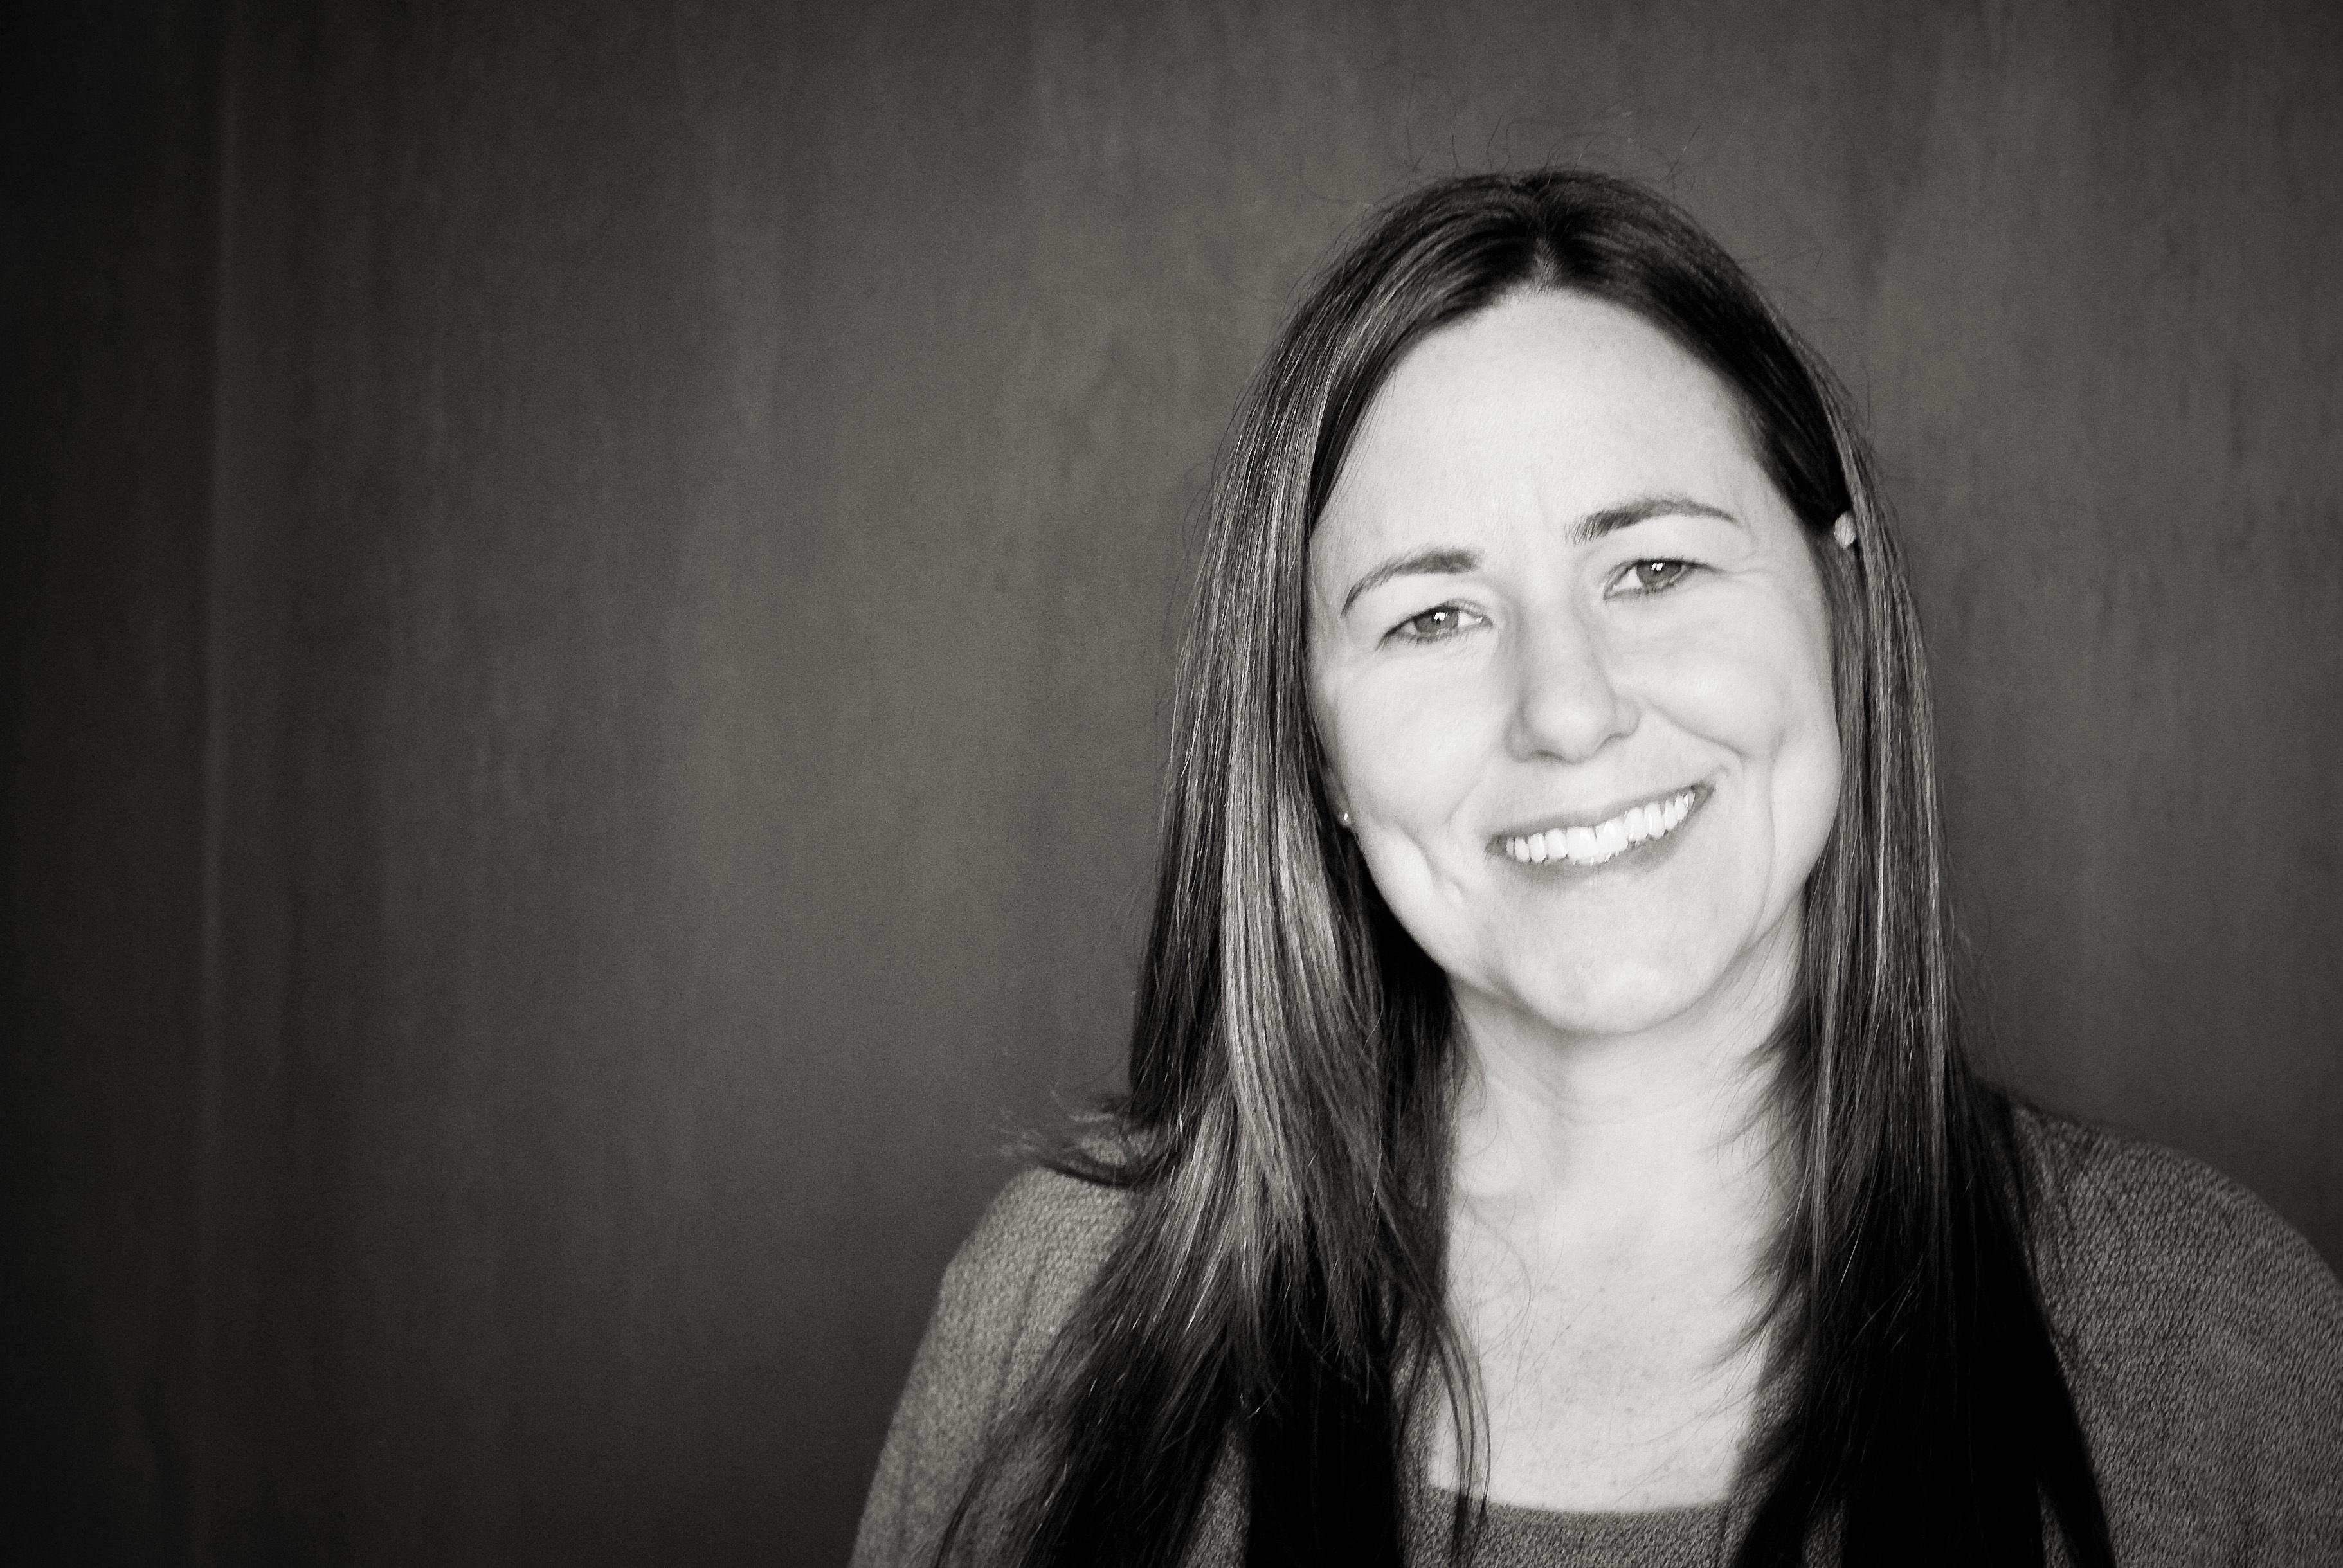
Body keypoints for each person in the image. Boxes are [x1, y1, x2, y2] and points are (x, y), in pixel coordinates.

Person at [849, 170, 2343, 1567]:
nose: (1566, 708)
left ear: (1838, 602)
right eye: (1432, 616)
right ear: (1314, 749)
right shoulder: (1065, 1305)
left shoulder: (2217, 1340)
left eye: (1655, 568)